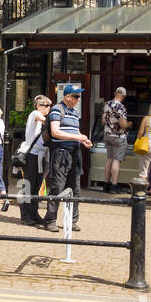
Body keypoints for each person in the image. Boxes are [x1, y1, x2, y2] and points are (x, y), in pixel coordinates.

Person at [43, 83, 93, 231]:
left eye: (79, 96)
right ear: (67, 96)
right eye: (76, 96)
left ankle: (71, 221)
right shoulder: (57, 110)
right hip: (61, 153)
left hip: (75, 153)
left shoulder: (75, 112)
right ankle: (50, 220)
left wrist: (84, 140)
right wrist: (77, 137)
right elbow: (55, 132)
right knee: (57, 186)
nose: (78, 99)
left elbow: (76, 132)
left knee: (75, 188)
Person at [18, 95, 52, 226]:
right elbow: (45, 121)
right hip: (31, 154)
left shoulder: (41, 116)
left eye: (50, 105)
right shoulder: (35, 114)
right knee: (28, 184)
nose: (49, 108)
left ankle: (34, 213)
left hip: (40, 155)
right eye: (46, 105)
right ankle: (25, 214)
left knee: (37, 185)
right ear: (39, 106)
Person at [101, 86, 130, 192]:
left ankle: (106, 184)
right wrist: (130, 124)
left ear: (115, 93)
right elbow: (123, 124)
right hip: (119, 137)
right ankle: (114, 185)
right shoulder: (121, 107)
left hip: (107, 135)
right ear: (123, 96)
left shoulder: (106, 105)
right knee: (116, 161)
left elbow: (103, 122)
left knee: (109, 159)